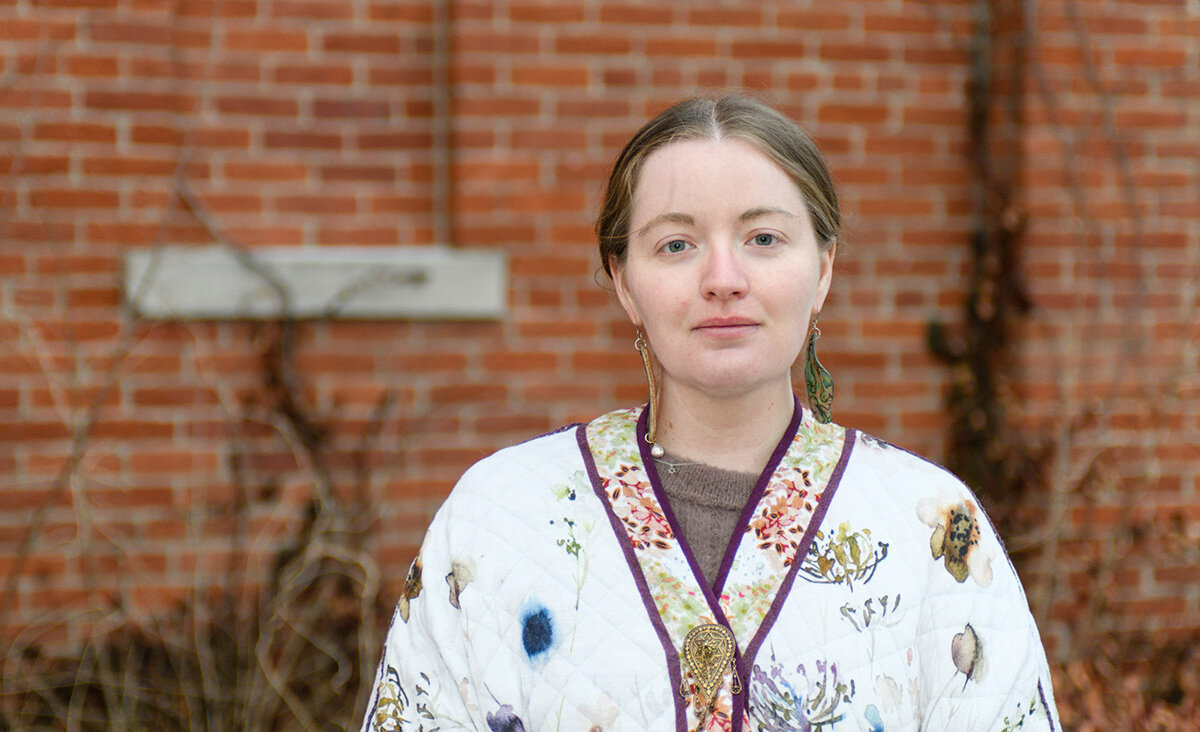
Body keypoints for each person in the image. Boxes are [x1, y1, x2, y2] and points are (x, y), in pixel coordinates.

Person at [360, 96, 1061, 732]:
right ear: (624, 283)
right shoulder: (497, 519)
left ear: (823, 270)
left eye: (763, 239)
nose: (723, 280)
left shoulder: (931, 529)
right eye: (676, 244)